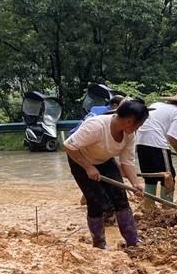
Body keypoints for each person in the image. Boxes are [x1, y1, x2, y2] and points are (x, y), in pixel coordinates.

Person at [63, 99, 149, 249]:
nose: (138, 129)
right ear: (129, 121)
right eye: (139, 125)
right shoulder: (96, 126)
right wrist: (88, 167)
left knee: (120, 198)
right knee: (97, 202)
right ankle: (99, 244)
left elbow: (127, 161)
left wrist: (135, 183)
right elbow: (69, 146)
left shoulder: (129, 135)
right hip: (80, 161)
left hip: (105, 161)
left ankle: (133, 241)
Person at [135, 89, 177, 209]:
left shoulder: (156, 105)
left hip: (140, 143)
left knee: (150, 177)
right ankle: (167, 209)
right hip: (156, 144)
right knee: (169, 176)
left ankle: (148, 209)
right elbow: (172, 138)